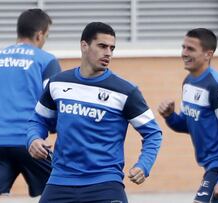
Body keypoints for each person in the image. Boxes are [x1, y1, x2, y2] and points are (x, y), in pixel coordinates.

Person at [27, 22, 162, 203]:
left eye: (112, 48)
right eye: (102, 46)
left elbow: (153, 133)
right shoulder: (58, 83)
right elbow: (38, 120)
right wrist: (34, 139)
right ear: (84, 45)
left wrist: (143, 165)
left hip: (105, 183)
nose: (108, 53)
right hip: (60, 181)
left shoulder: (125, 91)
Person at [0, 8, 61, 203]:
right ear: (39, 34)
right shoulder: (46, 60)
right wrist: (51, 128)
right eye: (47, 35)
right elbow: (55, 105)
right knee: (63, 191)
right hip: (31, 142)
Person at [158, 28, 218, 203]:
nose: (184, 53)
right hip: (212, 166)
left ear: (208, 54)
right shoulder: (188, 82)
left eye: (190, 49)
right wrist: (170, 116)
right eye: (183, 47)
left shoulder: (217, 86)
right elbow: (188, 125)